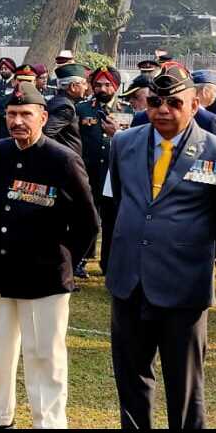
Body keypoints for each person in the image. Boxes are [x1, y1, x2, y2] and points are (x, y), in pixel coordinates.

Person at [103, 63, 216, 429]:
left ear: (195, 104)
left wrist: (198, 250)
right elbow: (120, 200)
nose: (163, 110)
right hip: (129, 281)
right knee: (131, 378)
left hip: (183, 285)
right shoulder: (124, 143)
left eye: (173, 102)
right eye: (154, 102)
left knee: (184, 386)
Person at [0, 82, 97, 429]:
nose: (18, 121)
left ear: (43, 116)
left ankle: (49, 423)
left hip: (44, 275)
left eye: (26, 114)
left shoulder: (63, 159)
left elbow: (88, 223)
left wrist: (64, 261)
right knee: (0, 348)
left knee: (44, 355)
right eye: (11, 114)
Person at [77, 66, 129, 276]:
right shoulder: (81, 109)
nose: (102, 88)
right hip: (88, 171)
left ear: (115, 86)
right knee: (85, 218)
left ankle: (108, 262)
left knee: (111, 220)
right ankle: (80, 259)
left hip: (114, 174)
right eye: (98, 84)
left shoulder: (127, 109)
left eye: (107, 84)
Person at [44, 61, 86, 155]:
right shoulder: (65, 107)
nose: (86, 88)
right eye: (83, 84)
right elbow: (46, 133)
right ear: (73, 87)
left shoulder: (57, 101)